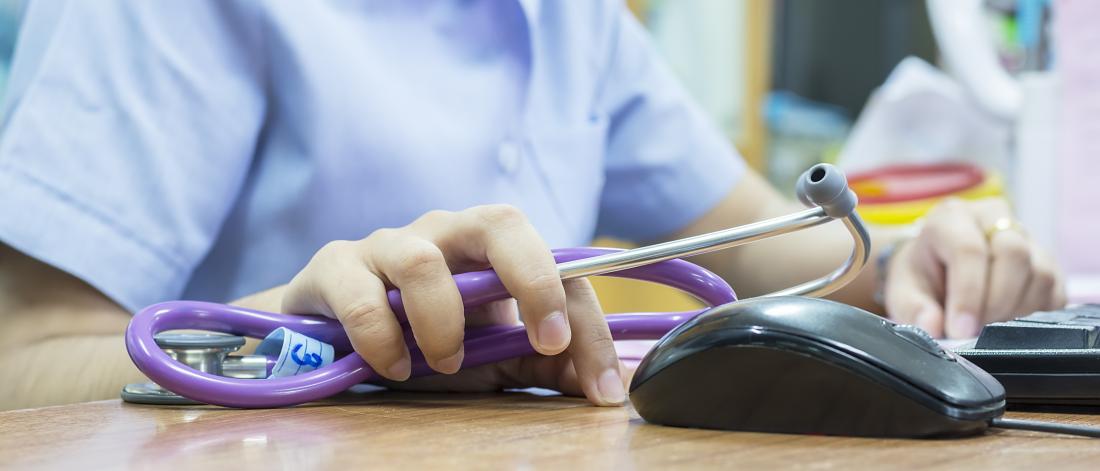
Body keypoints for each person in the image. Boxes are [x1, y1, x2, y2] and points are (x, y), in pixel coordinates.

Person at [0, 0, 1063, 411]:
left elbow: (796, 262)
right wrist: (300, 338)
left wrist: (928, 256)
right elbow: (19, 360)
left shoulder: (573, 19)